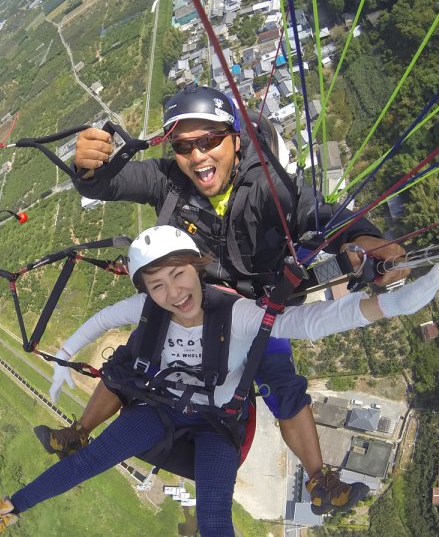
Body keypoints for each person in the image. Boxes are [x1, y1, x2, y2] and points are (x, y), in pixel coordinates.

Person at [34, 84, 408, 511]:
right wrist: (87, 170)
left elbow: (316, 213)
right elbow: (107, 184)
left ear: (233, 137)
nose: (197, 156)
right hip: (190, 301)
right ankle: (79, 432)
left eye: (209, 140)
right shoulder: (168, 181)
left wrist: (365, 238)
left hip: (250, 309)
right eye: (184, 146)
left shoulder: (267, 183)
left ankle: (319, 480)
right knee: (131, 361)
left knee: (280, 381)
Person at [0, 226, 439, 537]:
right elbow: (105, 318)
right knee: (93, 456)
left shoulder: (236, 313)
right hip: (161, 412)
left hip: (217, 427)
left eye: (178, 276)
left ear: (197, 269)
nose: (172, 293)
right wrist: (65, 355)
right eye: (158, 285)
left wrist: (395, 302)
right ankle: (6, 510)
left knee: (216, 521)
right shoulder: (148, 307)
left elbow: (309, 322)